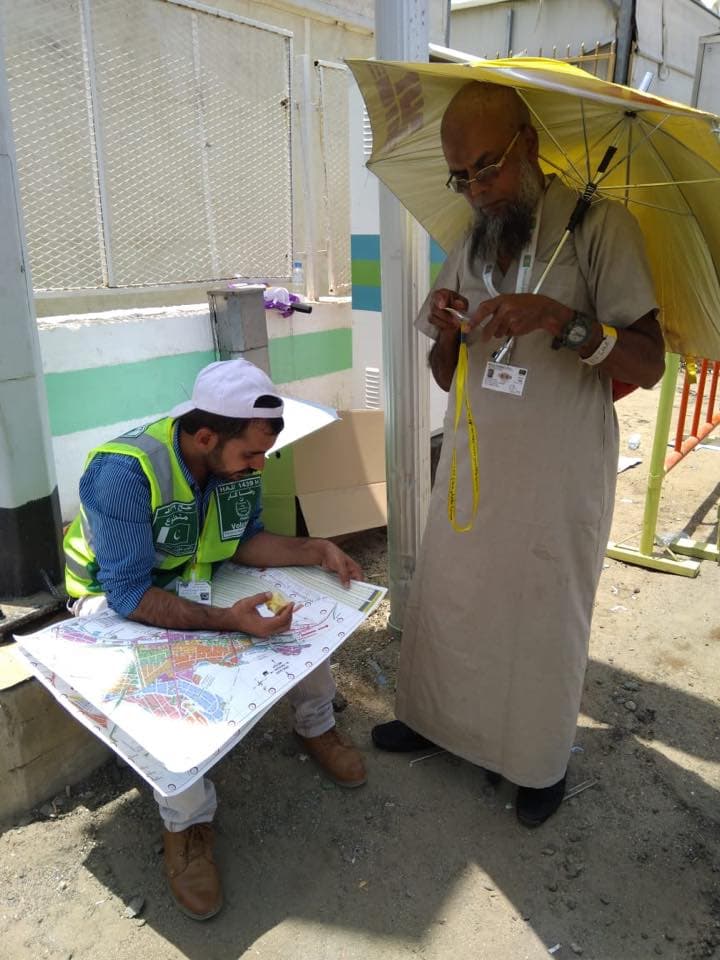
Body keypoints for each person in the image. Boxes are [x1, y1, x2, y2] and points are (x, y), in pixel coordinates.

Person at [372, 82, 665, 827]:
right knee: (454, 598)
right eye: (460, 175)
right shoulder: (472, 239)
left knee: (541, 612)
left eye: (487, 166)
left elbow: (649, 358)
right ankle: (435, 722)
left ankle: (537, 762)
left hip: (558, 466)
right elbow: (447, 371)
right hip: (473, 466)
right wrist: (444, 332)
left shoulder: (601, 227)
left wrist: (561, 319)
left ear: (528, 145)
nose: (475, 188)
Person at [64, 358, 366, 919]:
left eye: (263, 455)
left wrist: (313, 550)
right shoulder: (124, 473)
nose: (258, 466)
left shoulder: (235, 463)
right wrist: (230, 620)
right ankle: (187, 821)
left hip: (193, 580)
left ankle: (316, 724)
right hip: (111, 602)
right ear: (205, 436)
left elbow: (242, 542)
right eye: (251, 455)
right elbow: (129, 596)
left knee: (294, 603)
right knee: (165, 688)